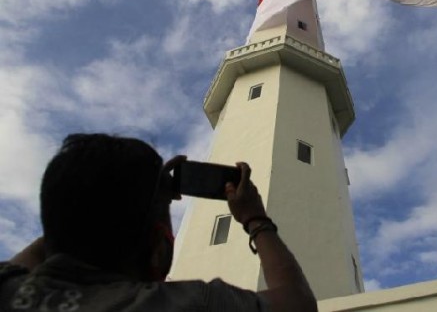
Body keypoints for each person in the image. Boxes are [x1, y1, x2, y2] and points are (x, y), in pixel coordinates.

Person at [0, 133, 317, 311]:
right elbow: (299, 303)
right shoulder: (189, 304)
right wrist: (255, 219)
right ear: (159, 250)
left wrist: (82, 205)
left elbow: (55, 237)